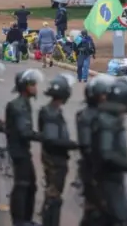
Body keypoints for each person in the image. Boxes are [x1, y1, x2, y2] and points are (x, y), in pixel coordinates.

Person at [92, 76, 127, 225]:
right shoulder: (108, 121)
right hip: (107, 182)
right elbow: (106, 154)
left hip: (108, 180)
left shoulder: (109, 118)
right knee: (121, 219)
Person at [38, 74, 79, 226]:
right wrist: (72, 145)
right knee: (53, 196)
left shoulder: (53, 110)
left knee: (54, 195)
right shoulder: (51, 112)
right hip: (55, 160)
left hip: (56, 159)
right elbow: (51, 139)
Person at [76, 75, 116, 226]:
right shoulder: (87, 116)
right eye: (105, 94)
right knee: (95, 212)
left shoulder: (101, 115)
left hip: (100, 172)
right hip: (93, 171)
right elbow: (88, 147)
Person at [6, 69, 43, 226]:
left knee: (30, 185)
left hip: (21, 150)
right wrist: (44, 137)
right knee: (22, 185)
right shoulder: (19, 105)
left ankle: (26, 219)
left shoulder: (24, 103)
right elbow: (24, 132)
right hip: (19, 151)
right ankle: (20, 221)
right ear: (25, 86)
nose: (36, 87)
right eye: (32, 84)